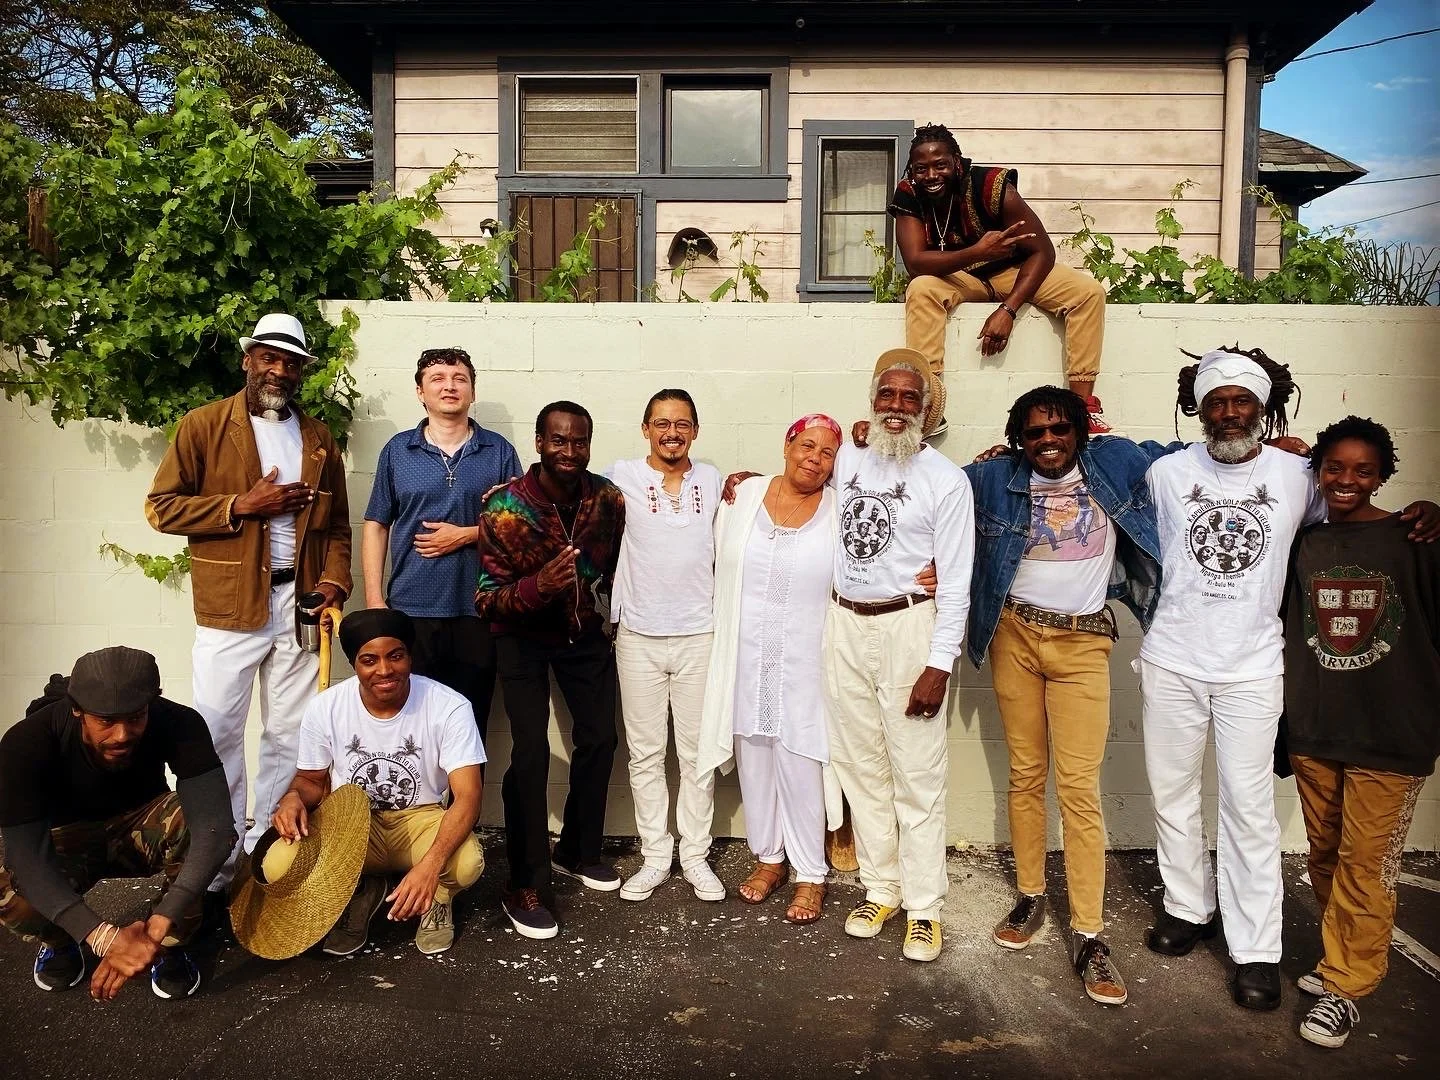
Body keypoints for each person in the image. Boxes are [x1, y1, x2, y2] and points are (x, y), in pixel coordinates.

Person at [1139, 347, 1440, 1011]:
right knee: (1172, 794)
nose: (1229, 411)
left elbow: (1356, 518)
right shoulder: (1166, 472)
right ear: (1199, 408)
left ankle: (1256, 950)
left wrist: (1424, 512)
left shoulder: (1299, 474)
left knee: (1248, 809)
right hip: (1172, 658)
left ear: (1263, 407)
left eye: (1241, 400)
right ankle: (1188, 907)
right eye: (1217, 401)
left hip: (1254, 666)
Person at [963, 386, 1185, 1006]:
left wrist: (1283, 451)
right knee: (1026, 774)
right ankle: (1031, 895)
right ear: (1019, 438)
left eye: (1059, 429)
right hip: (1014, 635)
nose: (1048, 441)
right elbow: (928, 494)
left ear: (1080, 432)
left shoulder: (1116, 461)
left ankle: (1089, 933)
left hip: (1083, 643)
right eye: (1035, 432)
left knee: (1079, 788)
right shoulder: (993, 477)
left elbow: (1186, 456)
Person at [145, 312, 352, 888]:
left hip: (300, 604)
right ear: (248, 360)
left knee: (291, 732)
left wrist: (334, 583)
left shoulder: (318, 438)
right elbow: (161, 507)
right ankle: (217, 858)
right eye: (269, 357)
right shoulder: (205, 425)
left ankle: (268, 853)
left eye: (290, 362)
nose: (278, 370)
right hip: (230, 605)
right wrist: (240, 505)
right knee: (217, 732)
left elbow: (338, 525)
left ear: (301, 371)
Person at [1283, 417, 1439, 1049]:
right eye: (1335, 467)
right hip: (1316, 729)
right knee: (1325, 856)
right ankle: (1341, 957)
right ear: (1319, 471)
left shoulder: (1416, 538)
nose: (1347, 479)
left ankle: (1347, 988)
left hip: (1391, 734)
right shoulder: (1304, 542)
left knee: (1365, 864)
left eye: (1363, 470)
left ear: (1382, 476)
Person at [824, 348, 974, 962]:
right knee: (860, 767)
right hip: (843, 623)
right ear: (871, 399)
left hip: (909, 627)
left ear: (926, 408)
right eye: (887, 394)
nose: (897, 406)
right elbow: (797, 475)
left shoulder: (946, 481)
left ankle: (924, 907)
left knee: (917, 774)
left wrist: (939, 663)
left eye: (910, 397)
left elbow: (957, 583)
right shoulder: (847, 457)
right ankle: (880, 888)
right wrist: (743, 484)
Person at [0, 647, 234, 1000]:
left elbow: (215, 829)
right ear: (77, 710)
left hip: (139, 829)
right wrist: (102, 936)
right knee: (9, 889)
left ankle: (169, 946)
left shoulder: (179, 722)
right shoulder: (26, 741)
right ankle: (62, 940)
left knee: (195, 823)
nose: (122, 734)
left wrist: (158, 926)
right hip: (69, 838)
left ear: (152, 704)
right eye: (106, 721)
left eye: (136, 717)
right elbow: (27, 857)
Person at [476, 401, 626, 939]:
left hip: (583, 636)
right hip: (521, 638)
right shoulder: (503, 506)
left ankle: (578, 850)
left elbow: (617, 566)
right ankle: (525, 883)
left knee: (600, 738)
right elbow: (486, 600)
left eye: (579, 441)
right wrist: (538, 588)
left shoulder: (607, 499)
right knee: (531, 755)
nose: (569, 451)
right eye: (558, 440)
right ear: (539, 443)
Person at [273, 608, 486, 956]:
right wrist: (293, 797)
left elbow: (468, 797)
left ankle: (438, 897)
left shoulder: (449, 706)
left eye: (396, 656)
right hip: (353, 822)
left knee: (466, 863)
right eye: (369, 660)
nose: (384, 670)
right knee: (278, 863)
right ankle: (360, 891)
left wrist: (431, 866)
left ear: (410, 657)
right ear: (354, 665)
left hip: (420, 820)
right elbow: (310, 780)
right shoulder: (325, 707)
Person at [700, 415, 844, 924]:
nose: (814, 458)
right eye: (807, 446)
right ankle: (769, 858)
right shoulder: (743, 496)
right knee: (755, 754)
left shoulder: (839, 508)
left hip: (807, 657)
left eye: (827, 453)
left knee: (803, 758)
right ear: (787, 445)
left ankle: (810, 873)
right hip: (745, 654)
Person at [890, 123, 1109, 436]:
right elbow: (915, 262)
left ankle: (1081, 408)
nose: (931, 175)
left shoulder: (992, 187)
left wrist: (1008, 310)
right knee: (922, 288)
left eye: (940, 165)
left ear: (957, 162)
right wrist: (978, 251)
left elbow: (1043, 252)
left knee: (1088, 292)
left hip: (1014, 272)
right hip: (959, 277)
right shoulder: (909, 194)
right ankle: (928, 404)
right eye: (921, 168)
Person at [363, 347, 522, 753]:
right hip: (411, 611)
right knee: (410, 727)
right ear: (420, 392)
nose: (449, 386)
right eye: (437, 378)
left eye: (459, 379)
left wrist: (466, 535)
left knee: (469, 724)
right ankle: (417, 798)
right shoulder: (398, 450)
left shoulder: (498, 451)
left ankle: (462, 799)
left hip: (478, 610)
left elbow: (521, 528)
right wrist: (375, 600)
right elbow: (376, 524)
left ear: (472, 391)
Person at [605, 389, 726, 904]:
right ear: (645, 429)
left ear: (695, 431)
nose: (671, 433)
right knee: (646, 754)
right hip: (638, 635)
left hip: (700, 634)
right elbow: (567, 500)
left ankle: (695, 856)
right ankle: (656, 856)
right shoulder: (621, 477)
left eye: (681, 424)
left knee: (698, 755)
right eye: (661, 423)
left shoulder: (713, 481)